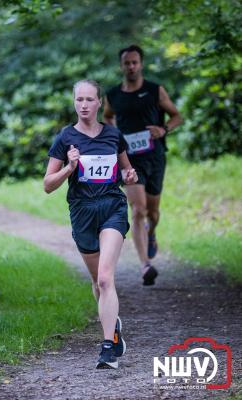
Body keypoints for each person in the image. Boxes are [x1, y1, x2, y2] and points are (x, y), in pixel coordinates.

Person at [44, 79, 138, 369]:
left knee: (106, 278)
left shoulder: (113, 135)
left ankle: (109, 346)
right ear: (74, 103)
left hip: (112, 207)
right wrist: (70, 168)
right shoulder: (65, 138)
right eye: (79, 100)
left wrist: (130, 176)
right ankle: (114, 327)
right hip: (82, 212)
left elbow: (125, 170)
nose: (83, 105)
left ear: (99, 103)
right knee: (98, 282)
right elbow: (48, 184)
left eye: (89, 99)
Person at [103, 45, 183, 286]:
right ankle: (145, 264)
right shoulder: (113, 94)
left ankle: (152, 232)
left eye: (135, 62)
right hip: (129, 159)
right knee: (138, 210)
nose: (131, 67)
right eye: (127, 63)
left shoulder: (154, 90)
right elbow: (107, 116)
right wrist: (114, 131)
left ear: (141, 64)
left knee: (152, 212)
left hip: (155, 156)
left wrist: (163, 129)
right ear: (121, 65)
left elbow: (177, 116)